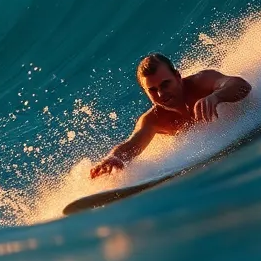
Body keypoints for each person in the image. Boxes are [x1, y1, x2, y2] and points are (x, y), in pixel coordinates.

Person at [89, 52, 252, 178]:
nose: (161, 94)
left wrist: (217, 96)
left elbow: (242, 85)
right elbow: (131, 144)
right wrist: (114, 158)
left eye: (165, 84)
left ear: (177, 76)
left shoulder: (202, 82)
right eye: (152, 90)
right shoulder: (154, 120)